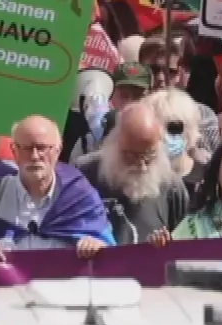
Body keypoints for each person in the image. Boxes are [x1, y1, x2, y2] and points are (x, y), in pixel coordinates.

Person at [0, 115, 112, 258]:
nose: (35, 156)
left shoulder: (79, 194)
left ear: (58, 150)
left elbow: (109, 247)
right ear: (14, 151)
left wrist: (97, 245)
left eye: (42, 148)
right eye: (27, 148)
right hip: (7, 281)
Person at [74, 101, 188, 246]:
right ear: (115, 142)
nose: (142, 166)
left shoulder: (172, 187)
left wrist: (165, 246)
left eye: (149, 156)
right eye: (132, 156)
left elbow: (184, 245)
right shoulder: (85, 173)